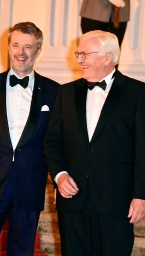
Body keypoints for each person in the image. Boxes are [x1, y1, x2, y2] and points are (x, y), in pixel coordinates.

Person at [0, 21, 65, 256]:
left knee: (22, 251)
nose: (21, 52)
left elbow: (56, 142)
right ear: (7, 48)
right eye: (16, 45)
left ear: (38, 51)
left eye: (28, 46)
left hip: (30, 185)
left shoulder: (54, 91)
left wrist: (60, 178)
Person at [54, 30, 145, 255]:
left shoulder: (138, 93)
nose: (79, 59)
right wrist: (59, 175)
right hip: (73, 201)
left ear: (107, 57)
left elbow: (143, 150)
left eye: (85, 53)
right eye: (79, 53)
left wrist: (141, 195)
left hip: (117, 201)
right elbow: (51, 142)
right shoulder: (65, 92)